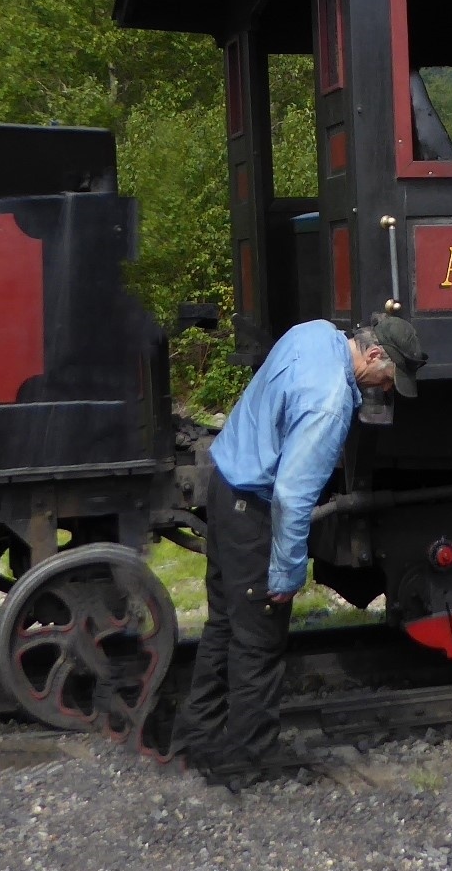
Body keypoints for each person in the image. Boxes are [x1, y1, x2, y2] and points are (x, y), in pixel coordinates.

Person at [175, 313, 424, 779]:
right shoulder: (330, 404)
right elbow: (292, 496)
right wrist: (286, 574)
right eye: (390, 378)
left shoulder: (312, 332)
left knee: (224, 627)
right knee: (258, 642)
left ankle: (195, 740)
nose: (387, 390)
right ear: (373, 355)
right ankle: (243, 765)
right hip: (254, 511)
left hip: (224, 489)